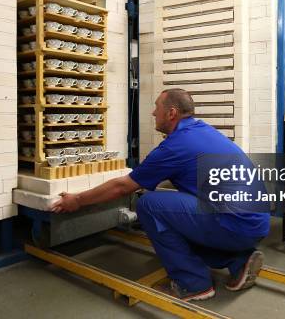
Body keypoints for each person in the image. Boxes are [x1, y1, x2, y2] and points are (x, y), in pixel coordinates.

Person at [52, 88, 269, 301]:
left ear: (171, 113)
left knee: (148, 205)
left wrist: (78, 200)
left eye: (157, 107)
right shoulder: (202, 131)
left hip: (237, 225)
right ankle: (239, 260)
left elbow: (122, 187)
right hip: (254, 221)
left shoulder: (175, 146)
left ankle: (192, 284)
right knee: (173, 210)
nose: (153, 113)